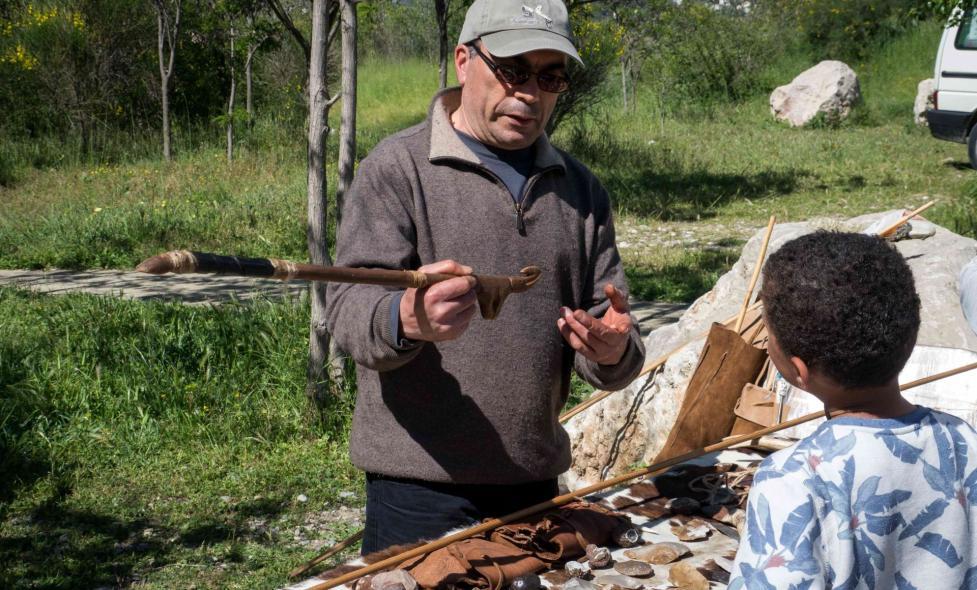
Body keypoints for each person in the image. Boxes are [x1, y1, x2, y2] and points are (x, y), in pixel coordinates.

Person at [324, 0, 645, 554]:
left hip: (533, 484)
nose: (528, 93)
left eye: (549, 77)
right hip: (418, 488)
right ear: (464, 60)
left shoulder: (581, 189)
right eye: (513, 70)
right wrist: (404, 319)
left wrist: (613, 350)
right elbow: (349, 312)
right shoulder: (399, 168)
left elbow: (615, 338)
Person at [729, 231, 977, 589]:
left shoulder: (793, 479)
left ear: (798, 372)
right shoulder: (964, 442)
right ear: (910, 337)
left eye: (768, 335)